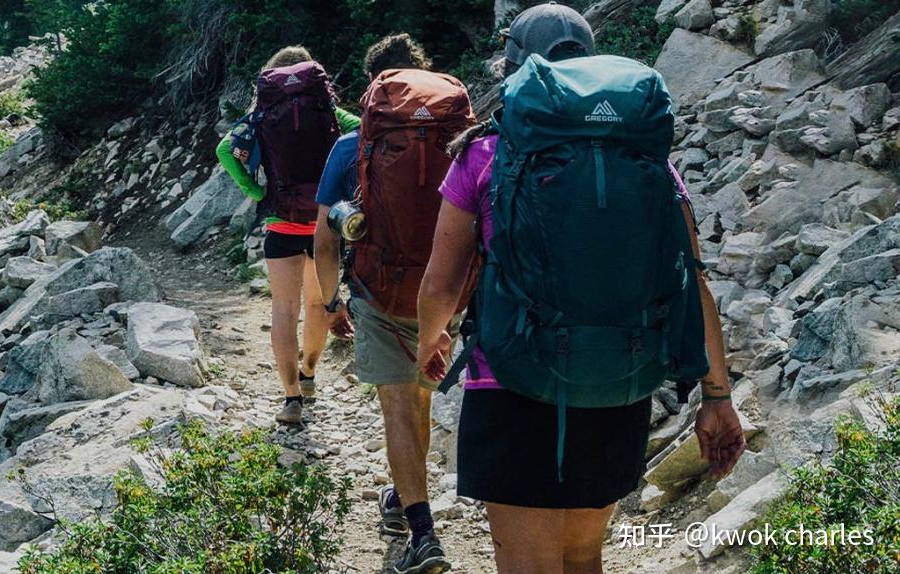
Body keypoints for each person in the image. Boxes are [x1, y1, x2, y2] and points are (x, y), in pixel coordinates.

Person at [416, 4, 746, 573]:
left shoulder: (483, 155)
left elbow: (441, 282)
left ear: (512, 69)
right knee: (582, 556)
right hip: (618, 378)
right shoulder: (649, 162)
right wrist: (717, 397)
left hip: (511, 381)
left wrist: (429, 340)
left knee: (528, 562)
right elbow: (694, 283)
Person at [315, 33, 475, 574]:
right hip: (447, 291)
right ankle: (405, 500)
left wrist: (330, 300)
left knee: (396, 407)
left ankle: (423, 532)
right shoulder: (461, 139)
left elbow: (324, 237)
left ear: (374, 89)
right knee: (420, 400)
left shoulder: (354, 145)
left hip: (379, 289)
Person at [217, 45, 360, 424]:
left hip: (281, 222)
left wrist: (254, 191)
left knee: (283, 310)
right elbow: (363, 132)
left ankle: (291, 399)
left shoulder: (260, 116)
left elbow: (224, 149)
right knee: (317, 305)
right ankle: (310, 374)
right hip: (323, 225)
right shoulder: (329, 112)